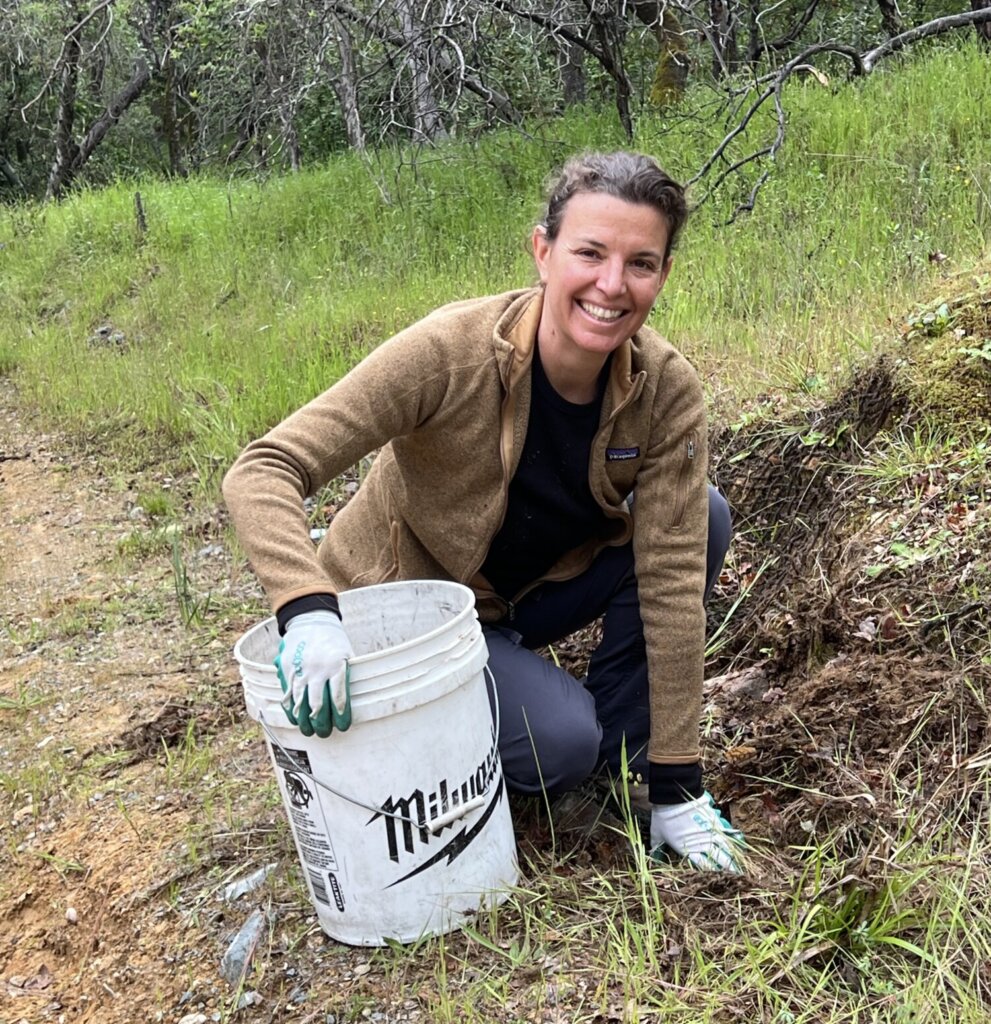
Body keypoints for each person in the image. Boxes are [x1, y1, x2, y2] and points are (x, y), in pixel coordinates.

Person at [223, 151, 745, 873]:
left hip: (516, 603)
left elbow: (673, 580)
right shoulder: (450, 353)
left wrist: (677, 780)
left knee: (704, 518)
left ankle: (624, 768)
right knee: (561, 742)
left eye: (640, 264)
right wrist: (309, 611)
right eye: (589, 253)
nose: (611, 284)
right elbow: (264, 468)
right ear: (543, 251)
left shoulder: (664, 389)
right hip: (408, 619)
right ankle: (448, 740)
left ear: (662, 275)